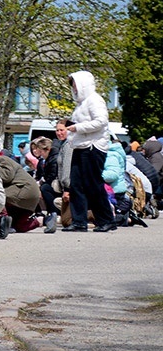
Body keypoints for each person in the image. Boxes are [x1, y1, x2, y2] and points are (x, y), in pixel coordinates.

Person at [63, 71, 115, 232]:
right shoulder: (81, 103)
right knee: (76, 185)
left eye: (75, 84)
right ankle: (79, 221)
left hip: (93, 146)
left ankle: (106, 219)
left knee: (93, 185)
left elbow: (101, 121)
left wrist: (77, 127)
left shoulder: (94, 100)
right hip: (81, 146)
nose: (73, 88)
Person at [0, 154, 41, 233]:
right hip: (28, 195)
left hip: (24, 190)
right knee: (19, 226)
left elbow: (6, 176)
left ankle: (3, 220)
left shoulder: (1, 159)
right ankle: (43, 220)